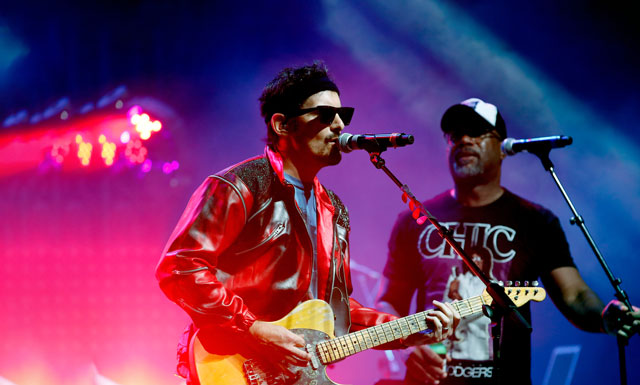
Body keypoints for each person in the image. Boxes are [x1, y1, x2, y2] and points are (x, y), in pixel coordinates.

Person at [155, 62, 459, 384]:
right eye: (326, 115)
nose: (340, 125)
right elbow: (180, 267)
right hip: (233, 366)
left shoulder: (334, 210)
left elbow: (337, 311)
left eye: (344, 115)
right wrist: (253, 328)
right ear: (282, 125)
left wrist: (409, 331)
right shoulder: (240, 185)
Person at [376, 98, 640, 385]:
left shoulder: (535, 221)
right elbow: (388, 301)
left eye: (477, 132)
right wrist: (405, 347)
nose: (464, 140)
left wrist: (603, 317)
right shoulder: (415, 219)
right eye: (456, 135)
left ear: (503, 147)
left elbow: (574, 296)